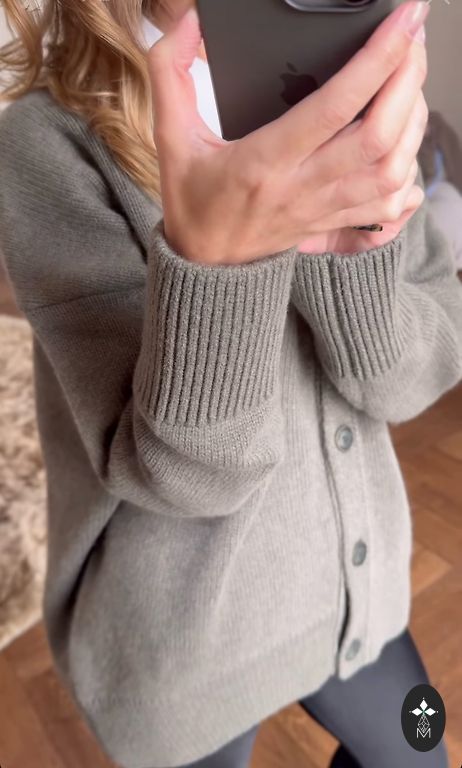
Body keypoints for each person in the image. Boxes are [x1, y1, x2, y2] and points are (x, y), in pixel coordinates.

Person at [0, 1, 460, 767]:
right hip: (187, 652)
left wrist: (351, 263)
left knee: (422, 752)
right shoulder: (46, 143)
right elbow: (183, 477)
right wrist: (218, 268)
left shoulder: (351, 93)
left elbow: (417, 374)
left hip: (353, 595)